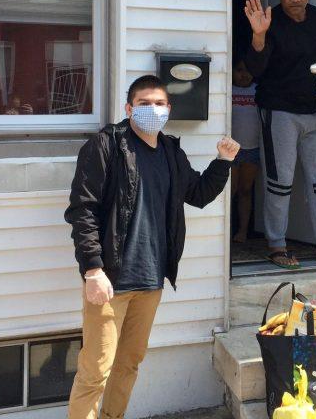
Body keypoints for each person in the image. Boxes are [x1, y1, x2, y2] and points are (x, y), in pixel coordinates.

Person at [65, 75, 239, 419]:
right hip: (110, 280)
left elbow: (199, 194)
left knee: (128, 365)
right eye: (144, 103)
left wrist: (223, 162)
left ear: (168, 110)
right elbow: (82, 210)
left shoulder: (172, 152)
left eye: (159, 104)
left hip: (151, 280)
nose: (152, 109)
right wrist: (93, 269)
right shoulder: (106, 145)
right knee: (95, 370)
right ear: (129, 108)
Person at [244, 0, 316, 269]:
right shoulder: (268, 21)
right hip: (279, 112)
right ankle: (277, 245)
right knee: (280, 182)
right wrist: (259, 36)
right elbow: (255, 71)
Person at [230, 58, 260, 244]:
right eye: (239, 69)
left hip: (252, 147)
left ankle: (242, 232)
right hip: (231, 148)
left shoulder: (258, 90)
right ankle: (227, 230)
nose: (244, 74)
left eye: (249, 70)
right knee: (230, 190)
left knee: (246, 191)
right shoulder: (227, 89)